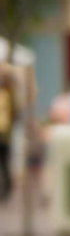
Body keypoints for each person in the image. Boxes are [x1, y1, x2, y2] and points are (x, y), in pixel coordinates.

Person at [0, 71, 19, 202]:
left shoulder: (9, 95)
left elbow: (14, 113)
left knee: (5, 162)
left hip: (4, 133)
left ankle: (7, 189)